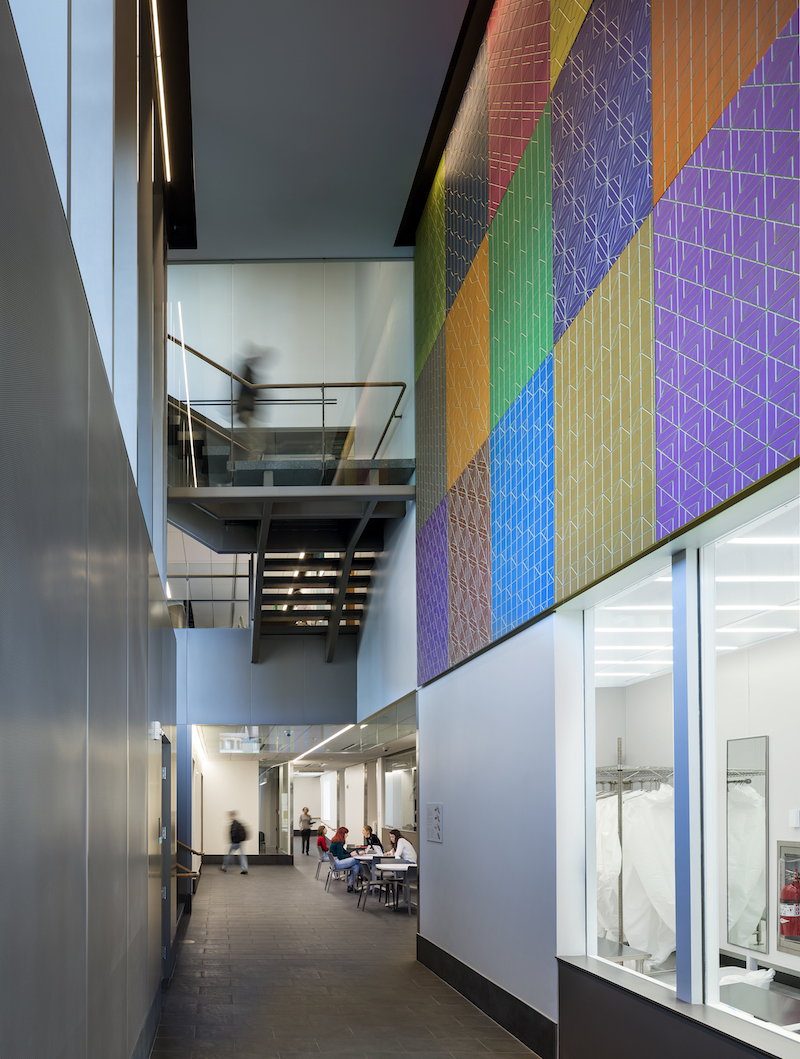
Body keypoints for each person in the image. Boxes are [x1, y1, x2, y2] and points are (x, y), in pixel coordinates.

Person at [328, 826, 363, 892]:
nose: (347, 835)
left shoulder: (336, 841)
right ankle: (363, 875)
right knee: (356, 860)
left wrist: (352, 853)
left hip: (333, 864)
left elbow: (344, 852)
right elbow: (341, 856)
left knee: (356, 866)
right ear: (342, 834)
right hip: (337, 863)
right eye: (346, 833)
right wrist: (350, 854)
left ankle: (350, 886)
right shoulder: (339, 842)